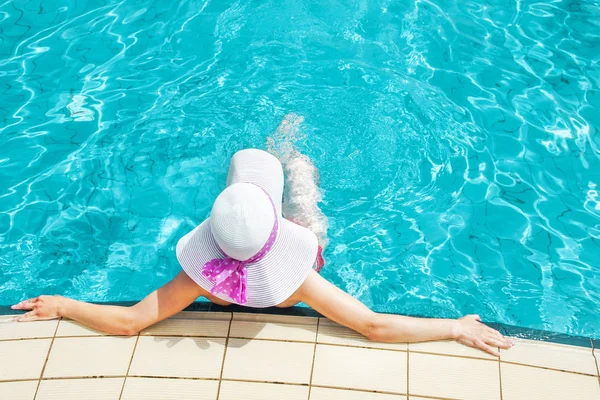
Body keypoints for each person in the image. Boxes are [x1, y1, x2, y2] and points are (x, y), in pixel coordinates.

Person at [12, 114, 513, 356]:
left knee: (265, 194)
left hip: (252, 250)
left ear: (211, 237)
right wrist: (451, 327)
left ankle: (284, 160)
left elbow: (129, 322)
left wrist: (65, 305)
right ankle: (292, 159)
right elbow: (374, 326)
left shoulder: (202, 280)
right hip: (291, 259)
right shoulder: (299, 280)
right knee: (309, 213)